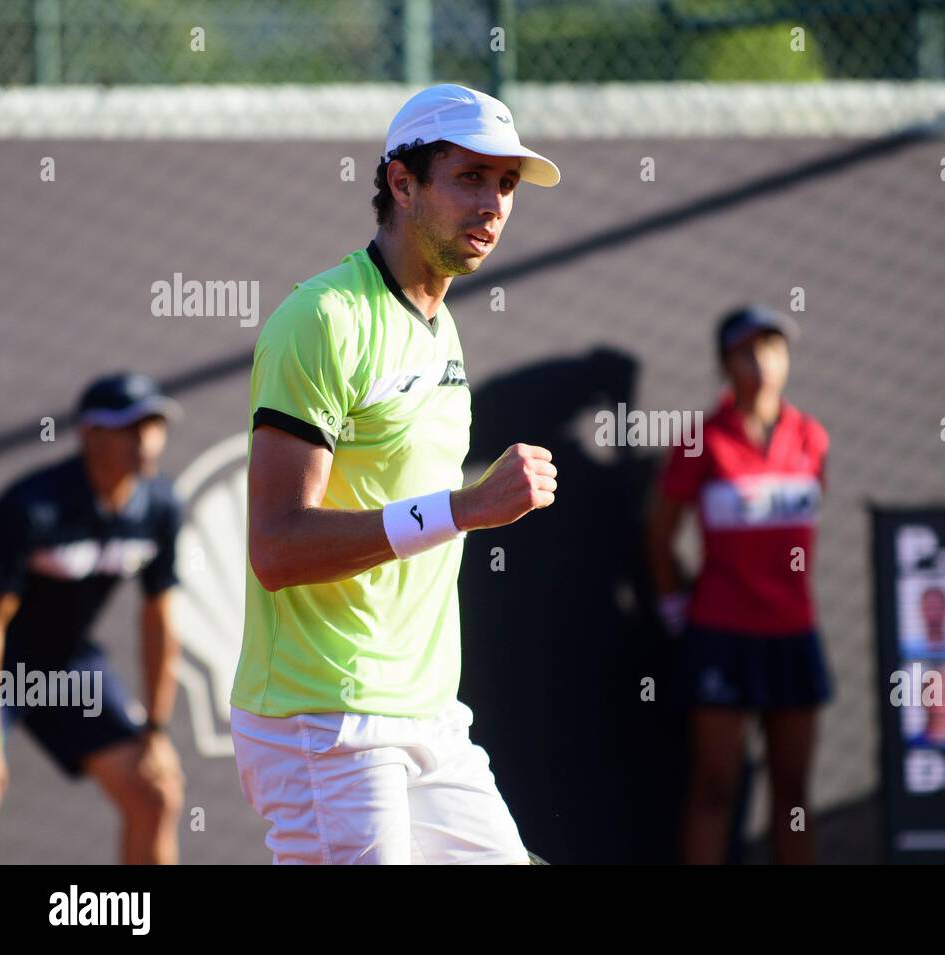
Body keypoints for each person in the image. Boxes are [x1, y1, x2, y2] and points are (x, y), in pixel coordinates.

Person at [229, 84, 561, 865]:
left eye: (506, 184)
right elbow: (276, 547)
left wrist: (459, 511)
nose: (493, 204)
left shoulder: (439, 325)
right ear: (402, 183)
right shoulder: (323, 320)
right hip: (327, 714)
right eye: (470, 178)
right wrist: (464, 508)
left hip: (427, 714)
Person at [647, 306, 831, 865]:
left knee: (794, 794)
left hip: (794, 634)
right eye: (747, 351)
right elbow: (661, 532)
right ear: (726, 364)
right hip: (720, 634)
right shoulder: (700, 441)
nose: (763, 363)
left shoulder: (812, 438)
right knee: (714, 785)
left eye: (773, 348)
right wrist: (675, 608)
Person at [0, 372, 186, 864]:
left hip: (65, 665)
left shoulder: (160, 507)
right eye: (129, 427)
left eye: (154, 425)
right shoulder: (31, 507)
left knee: (155, 791)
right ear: (89, 433)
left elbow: (158, 619)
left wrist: (156, 731)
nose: (145, 440)